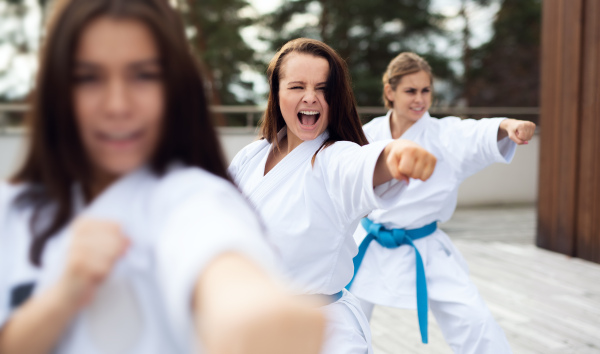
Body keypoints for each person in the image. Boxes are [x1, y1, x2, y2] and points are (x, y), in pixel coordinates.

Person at [0, 1, 325, 353]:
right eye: (88, 77)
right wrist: (63, 294)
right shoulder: (13, 207)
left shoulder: (192, 196)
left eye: (144, 75)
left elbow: (221, 258)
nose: (117, 104)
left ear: (175, 88)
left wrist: (253, 313)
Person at [228, 39, 438, 354]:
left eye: (323, 89)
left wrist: (397, 153)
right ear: (276, 93)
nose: (311, 97)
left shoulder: (335, 158)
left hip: (321, 334)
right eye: (297, 86)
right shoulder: (252, 155)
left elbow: (363, 164)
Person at [346, 52, 536, 354]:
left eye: (426, 90)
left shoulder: (445, 134)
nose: (420, 99)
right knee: (343, 323)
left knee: (476, 321)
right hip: (366, 244)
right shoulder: (366, 134)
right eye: (411, 91)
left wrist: (508, 125)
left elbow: (476, 132)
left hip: (425, 247)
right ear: (390, 92)